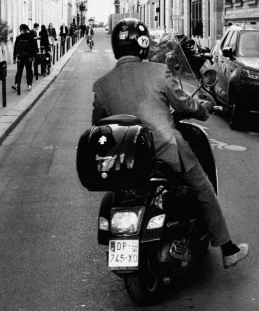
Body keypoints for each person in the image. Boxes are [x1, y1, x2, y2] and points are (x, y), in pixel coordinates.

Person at [92, 18, 249, 270]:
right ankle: (227, 249)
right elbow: (184, 104)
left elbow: (99, 126)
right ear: (144, 46)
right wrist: (204, 107)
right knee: (203, 189)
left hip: (125, 160)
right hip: (164, 151)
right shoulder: (157, 71)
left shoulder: (102, 85)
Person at [12, 24, 35, 93]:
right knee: (19, 71)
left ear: (25, 30)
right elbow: (15, 48)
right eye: (20, 29)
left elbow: (33, 48)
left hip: (28, 57)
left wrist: (31, 57)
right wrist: (14, 57)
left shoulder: (30, 37)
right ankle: (17, 84)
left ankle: (29, 84)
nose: (21, 30)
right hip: (21, 57)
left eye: (22, 29)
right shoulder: (18, 38)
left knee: (29, 70)